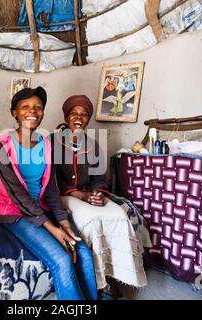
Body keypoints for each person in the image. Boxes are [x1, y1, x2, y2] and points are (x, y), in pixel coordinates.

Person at [0, 87, 98, 300]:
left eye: (38, 107)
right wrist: (52, 228)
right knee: (62, 259)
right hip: (15, 212)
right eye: (26, 107)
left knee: (83, 252)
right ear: (14, 112)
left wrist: (63, 222)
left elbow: (51, 188)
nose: (33, 111)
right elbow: (17, 193)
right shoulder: (0, 146)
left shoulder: (47, 144)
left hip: (44, 208)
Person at [53, 94, 151, 297]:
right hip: (65, 194)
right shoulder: (51, 142)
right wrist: (79, 194)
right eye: (74, 113)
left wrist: (97, 192)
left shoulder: (92, 145)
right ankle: (100, 280)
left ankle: (115, 275)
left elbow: (100, 177)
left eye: (84, 114)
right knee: (92, 220)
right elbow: (50, 180)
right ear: (66, 116)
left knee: (120, 216)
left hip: (88, 193)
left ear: (88, 119)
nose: (79, 117)